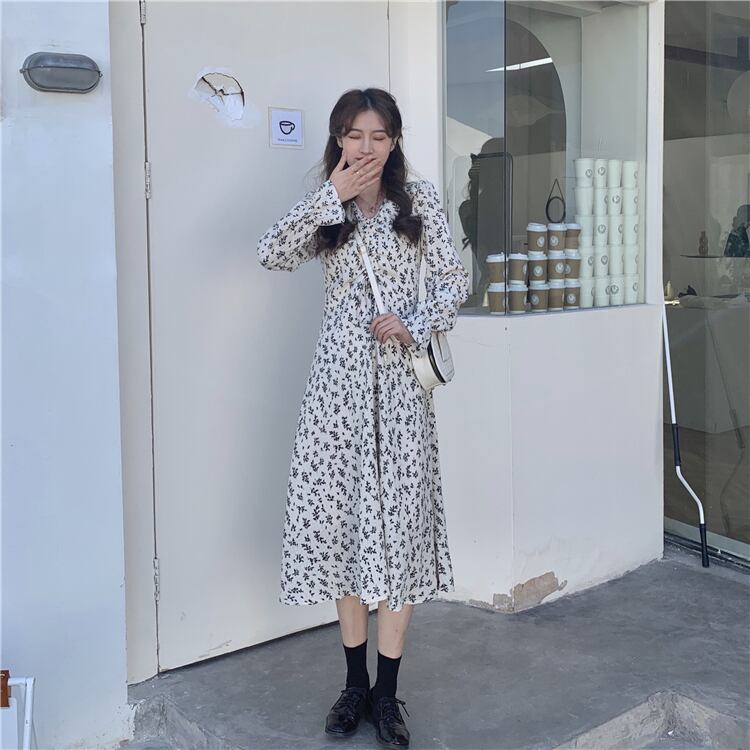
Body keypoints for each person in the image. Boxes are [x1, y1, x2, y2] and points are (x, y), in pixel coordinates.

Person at [257, 87, 469, 748]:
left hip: (401, 393)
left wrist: (412, 321)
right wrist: (331, 194)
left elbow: (454, 281)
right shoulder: (328, 206)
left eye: (378, 135)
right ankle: (354, 684)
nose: (366, 147)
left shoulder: (420, 201)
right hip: (336, 394)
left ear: (395, 140)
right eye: (354, 134)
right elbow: (271, 252)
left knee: (398, 536)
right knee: (345, 532)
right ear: (338, 139)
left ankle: (387, 693)